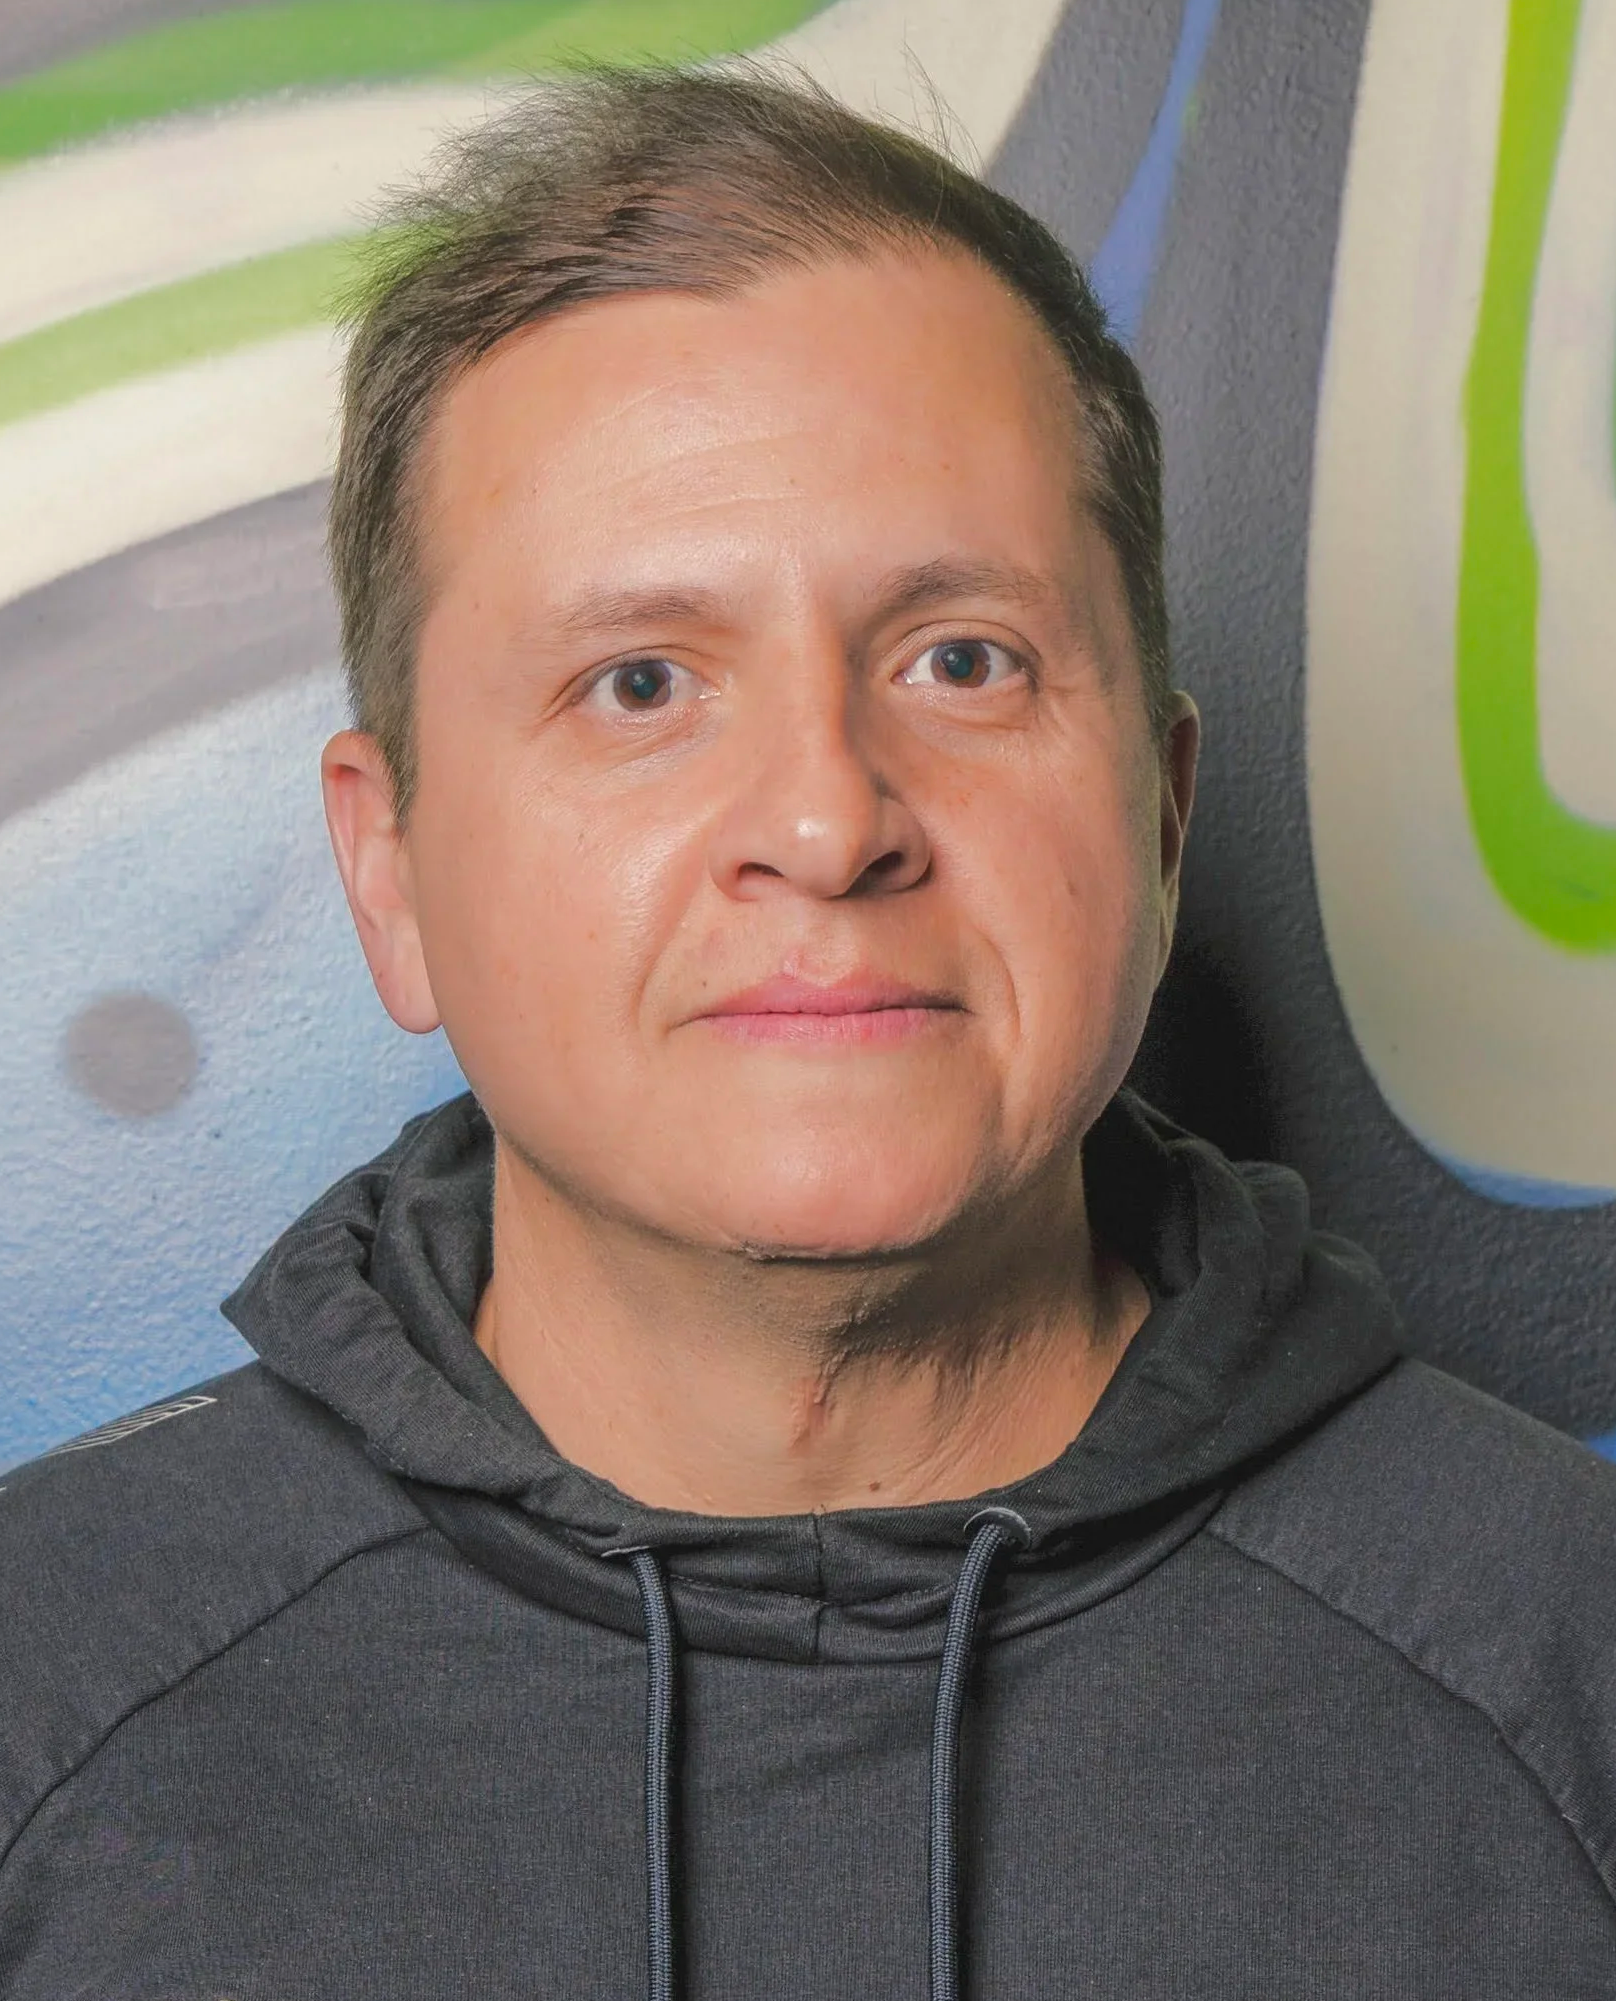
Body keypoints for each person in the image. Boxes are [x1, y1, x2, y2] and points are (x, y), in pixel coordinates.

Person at [2, 64, 1613, 2001]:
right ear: (392, 867)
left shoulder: (1567, 1662)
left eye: (962, 657)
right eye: (640, 681)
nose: (829, 818)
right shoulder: (41, 1689)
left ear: (1163, 815)